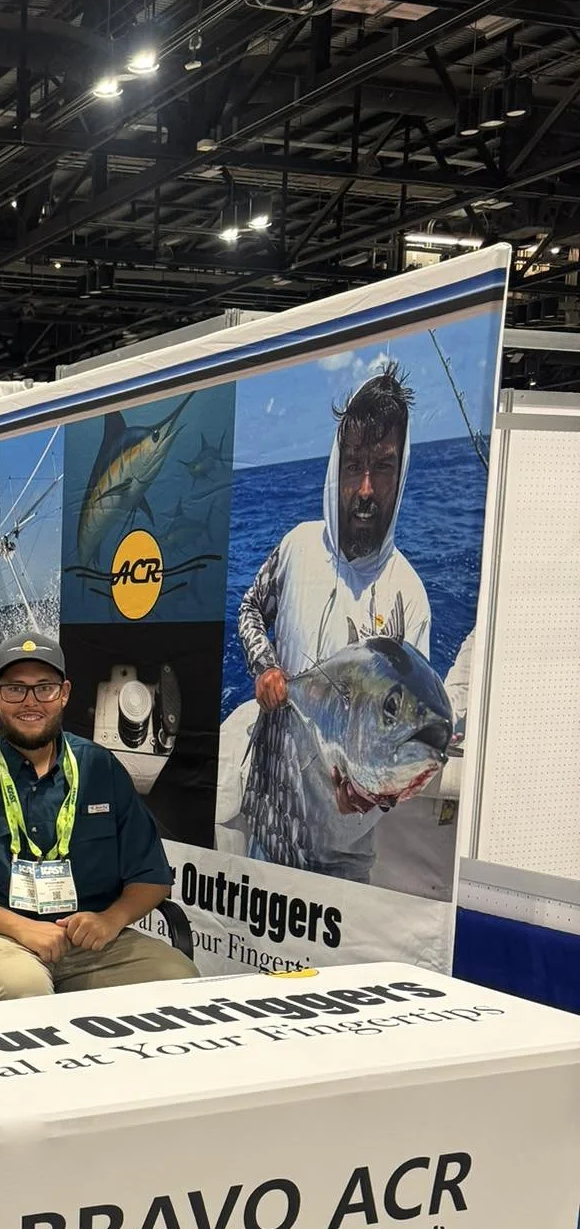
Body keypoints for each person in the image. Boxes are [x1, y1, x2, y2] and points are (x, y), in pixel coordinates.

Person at [0, 634, 198, 1001]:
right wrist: (20, 927)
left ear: (64, 693)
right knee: (24, 989)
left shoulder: (100, 767)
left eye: (45, 688)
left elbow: (151, 877)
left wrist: (110, 920)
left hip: (90, 943)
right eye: (15, 689)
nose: (31, 702)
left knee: (178, 979)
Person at [237, 363, 430, 881]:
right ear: (335, 467)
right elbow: (249, 608)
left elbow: (412, 737)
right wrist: (265, 665)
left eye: (383, 466)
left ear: (402, 471)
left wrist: (378, 796)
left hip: (344, 854)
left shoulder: (409, 595)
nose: (365, 488)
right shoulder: (296, 547)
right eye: (353, 465)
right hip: (271, 826)